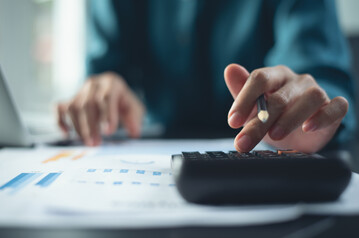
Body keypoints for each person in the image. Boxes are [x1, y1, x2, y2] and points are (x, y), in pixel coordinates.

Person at [57, 0, 356, 153]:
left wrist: (307, 115)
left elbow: (318, 81)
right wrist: (102, 90)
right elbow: (105, 71)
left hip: (271, 156)